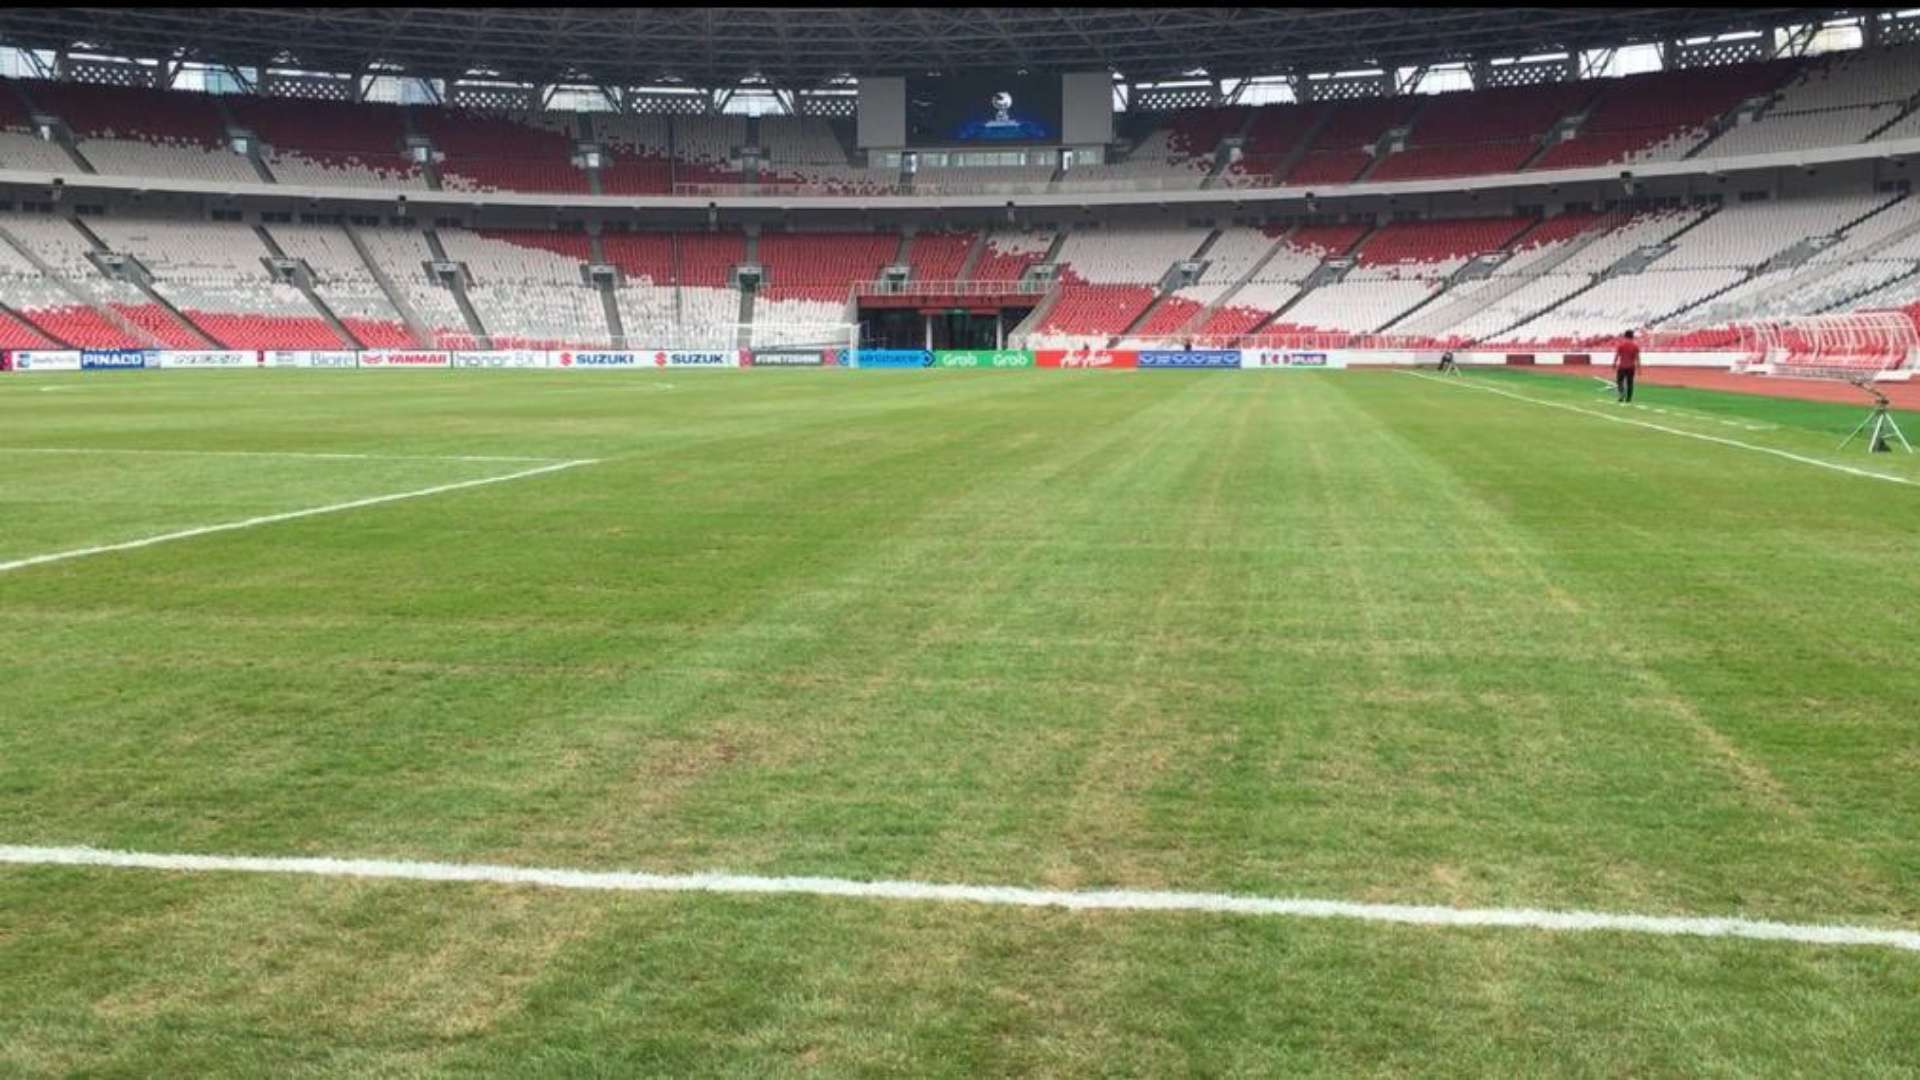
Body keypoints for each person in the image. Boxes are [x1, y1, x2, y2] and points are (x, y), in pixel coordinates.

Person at [1614, 329, 1641, 404]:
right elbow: (1637, 358)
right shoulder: (1635, 346)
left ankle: (1621, 394)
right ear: (1632, 336)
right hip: (1631, 367)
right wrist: (1639, 368)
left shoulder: (1621, 345)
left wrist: (1614, 363)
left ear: (1625, 336)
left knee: (1620, 382)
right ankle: (1629, 398)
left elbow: (1617, 355)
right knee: (1630, 383)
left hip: (1622, 366)